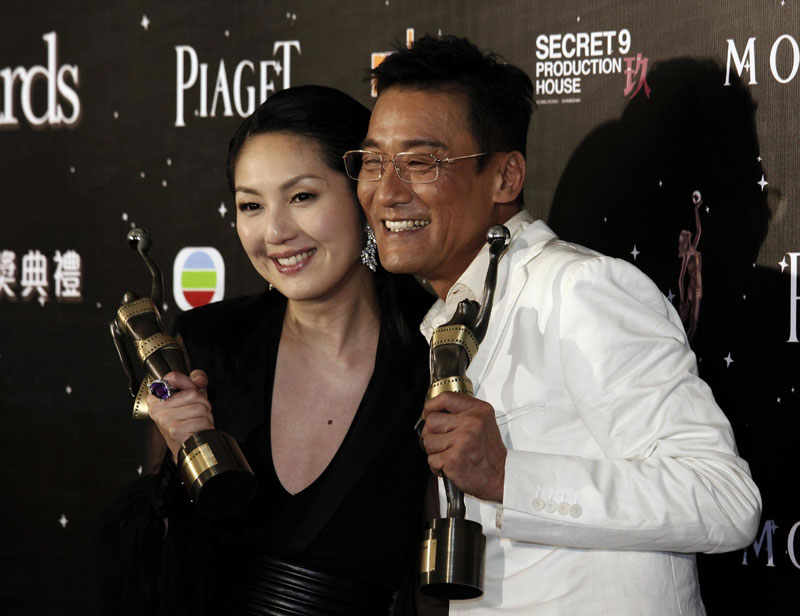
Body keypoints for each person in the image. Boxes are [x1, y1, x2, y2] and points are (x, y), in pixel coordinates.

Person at [349, 35, 762, 615]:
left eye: (421, 163)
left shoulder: (579, 289)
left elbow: (724, 501)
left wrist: (507, 477)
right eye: (373, 161)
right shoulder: (448, 319)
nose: (387, 191)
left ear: (506, 177)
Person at [98, 85, 434, 616]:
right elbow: (153, 568)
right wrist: (178, 453)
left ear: (362, 191)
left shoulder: (434, 354)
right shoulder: (208, 344)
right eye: (251, 205)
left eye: (302, 197)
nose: (274, 232)